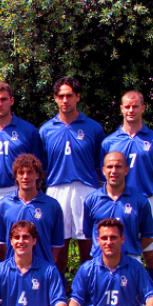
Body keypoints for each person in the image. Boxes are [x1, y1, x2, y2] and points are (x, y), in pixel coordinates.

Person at [81, 151, 153, 306]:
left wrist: (128, 251)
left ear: (126, 169)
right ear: (103, 170)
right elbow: (88, 234)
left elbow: (148, 235)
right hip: (100, 262)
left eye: (118, 166)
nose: (114, 171)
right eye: (109, 167)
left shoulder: (140, 200)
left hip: (130, 261)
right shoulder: (92, 199)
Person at [101, 90, 153, 306]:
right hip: (117, 204)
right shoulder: (109, 142)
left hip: (147, 202)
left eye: (135, 106)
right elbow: (102, 175)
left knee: (152, 258)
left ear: (143, 108)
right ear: (121, 109)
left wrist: (147, 202)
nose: (131, 110)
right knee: (119, 255)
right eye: (127, 106)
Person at [0, 82, 42, 264]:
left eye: (3, 99)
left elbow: (37, 167)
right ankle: (0, 280)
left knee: (22, 242)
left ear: (11, 101)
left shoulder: (28, 131)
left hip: (18, 194)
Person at [39, 78, 104, 273]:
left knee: (89, 248)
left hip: (86, 189)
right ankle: (59, 290)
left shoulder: (94, 128)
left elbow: (100, 165)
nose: (65, 100)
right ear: (55, 98)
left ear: (78, 97)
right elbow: (42, 168)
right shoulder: (45, 130)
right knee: (57, 250)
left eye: (69, 95)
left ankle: (88, 289)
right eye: (61, 96)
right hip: (56, 190)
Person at [0, 154, 64, 265]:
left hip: (43, 270)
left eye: (30, 172)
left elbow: (57, 243)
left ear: (37, 175)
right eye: (21, 173)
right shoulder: (4, 205)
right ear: (16, 176)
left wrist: (43, 263)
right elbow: (2, 242)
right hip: (14, 270)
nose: (25, 177)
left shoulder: (52, 205)